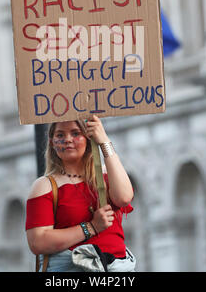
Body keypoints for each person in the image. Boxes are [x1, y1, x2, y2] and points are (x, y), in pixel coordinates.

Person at [25, 115, 136, 272]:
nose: (68, 139)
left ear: (88, 137)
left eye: (75, 133)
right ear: (52, 142)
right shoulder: (44, 186)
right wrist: (91, 227)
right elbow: (38, 242)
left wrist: (103, 140)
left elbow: (124, 198)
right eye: (60, 135)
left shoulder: (107, 174)